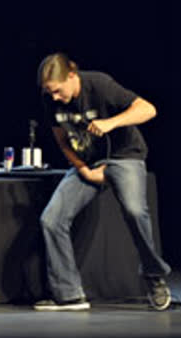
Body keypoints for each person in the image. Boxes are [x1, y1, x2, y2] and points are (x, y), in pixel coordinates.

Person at [35, 52, 172, 311]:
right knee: (51, 219)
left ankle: (155, 277)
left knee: (134, 210)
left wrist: (111, 123)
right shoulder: (49, 100)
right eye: (49, 92)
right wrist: (83, 169)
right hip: (89, 163)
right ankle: (69, 294)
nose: (54, 97)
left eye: (57, 91)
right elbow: (61, 139)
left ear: (72, 76)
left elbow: (148, 109)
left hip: (124, 157)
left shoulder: (99, 85)